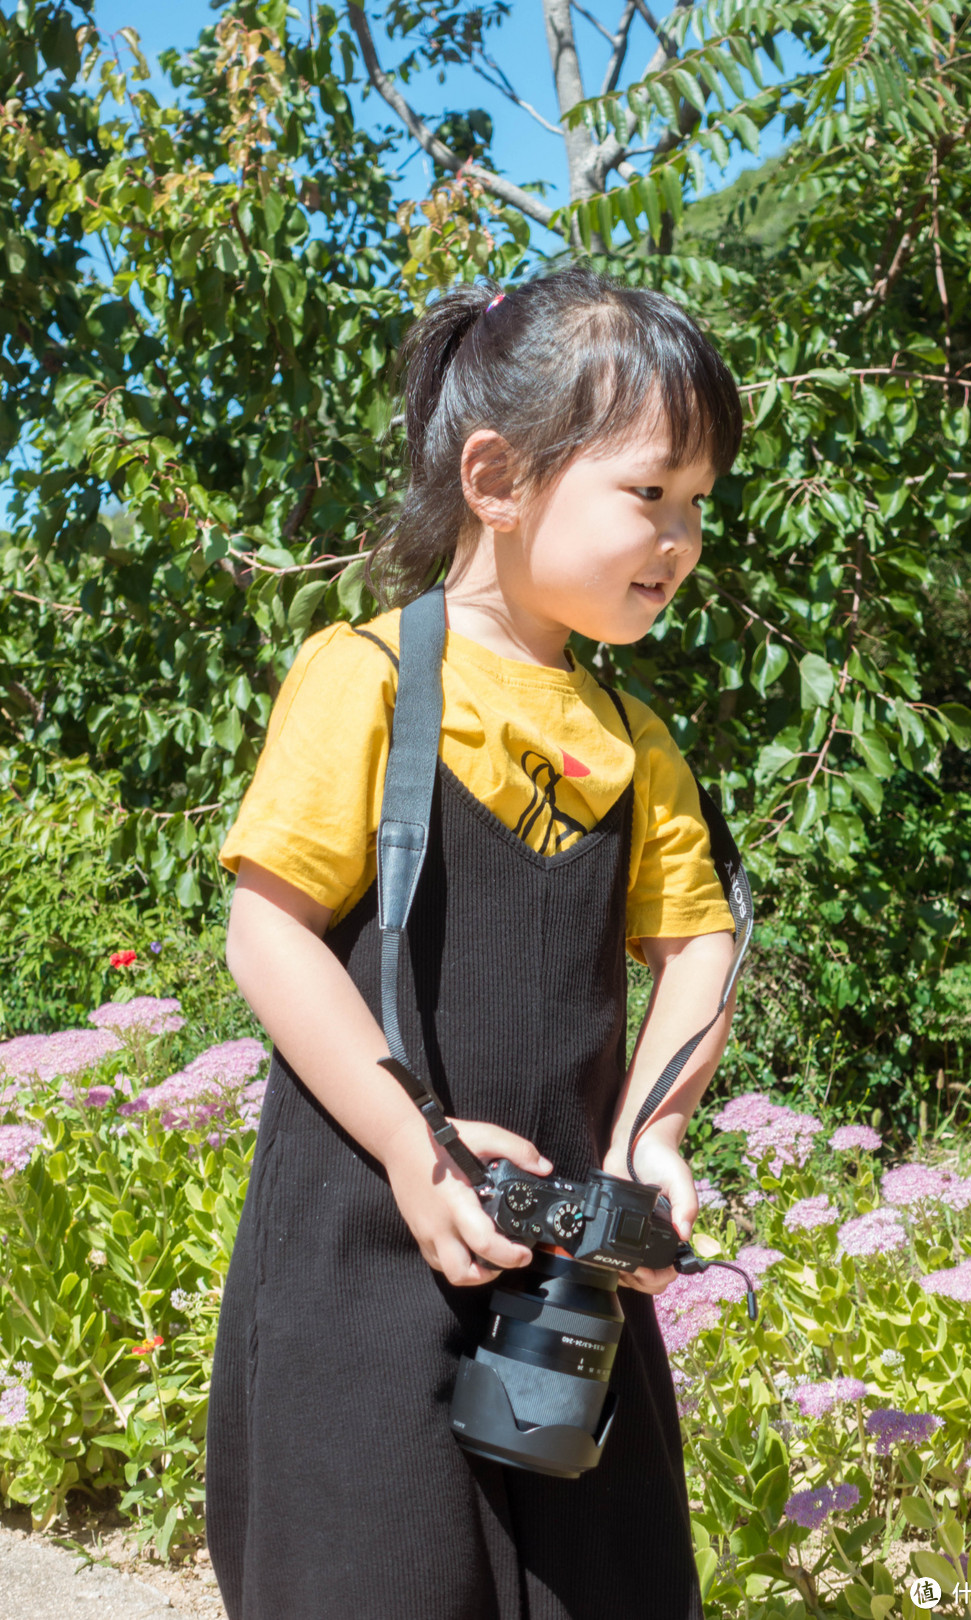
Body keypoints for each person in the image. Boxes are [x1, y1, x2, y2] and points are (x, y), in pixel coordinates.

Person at [207, 264, 744, 1620]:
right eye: (649, 492)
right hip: (363, 1249)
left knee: (597, 1584)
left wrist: (649, 1141)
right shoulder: (369, 678)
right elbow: (269, 932)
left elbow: (697, 950)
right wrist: (409, 1141)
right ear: (499, 480)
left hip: (561, 1266)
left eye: (698, 508)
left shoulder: (637, 742)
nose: (679, 538)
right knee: (372, 1573)